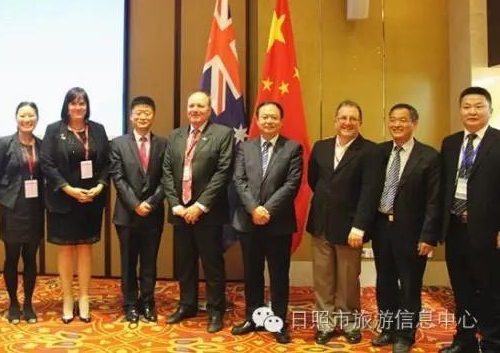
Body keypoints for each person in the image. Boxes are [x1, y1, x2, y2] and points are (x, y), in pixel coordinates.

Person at [306, 100, 380, 345]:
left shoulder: (370, 151)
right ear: (335, 120)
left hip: (351, 228)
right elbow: (314, 181)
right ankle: (325, 324)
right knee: (323, 279)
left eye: (353, 118)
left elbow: (370, 192)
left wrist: (359, 226)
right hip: (321, 224)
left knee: (348, 280)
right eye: (343, 118)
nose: (347, 123)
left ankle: (349, 323)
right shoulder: (321, 147)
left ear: (360, 122)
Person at [370, 104, 441, 353]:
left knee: (410, 284)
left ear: (414, 123)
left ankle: (405, 334)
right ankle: (388, 328)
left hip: (412, 231)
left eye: (402, 120)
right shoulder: (379, 152)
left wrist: (428, 236)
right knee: (385, 281)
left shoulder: (429, 156)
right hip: (381, 227)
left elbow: (434, 201)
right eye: (393, 119)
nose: (396, 124)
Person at [161, 91, 233, 333]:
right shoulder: (176, 135)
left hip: (208, 213)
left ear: (209, 110)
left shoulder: (222, 134)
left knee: (212, 264)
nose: (195, 110)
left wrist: (199, 206)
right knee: (185, 263)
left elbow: (223, 173)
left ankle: (215, 310)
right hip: (180, 212)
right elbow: (167, 172)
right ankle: (187, 305)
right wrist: (176, 205)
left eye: (200, 106)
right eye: (191, 105)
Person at [231, 101, 303, 344]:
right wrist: (254, 209)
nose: (269, 121)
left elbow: (292, 184)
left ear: (281, 121)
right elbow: (239, 180)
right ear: (257, 120)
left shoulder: (292, 148)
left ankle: (278, 320)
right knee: (252, 274)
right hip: (248, 221)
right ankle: (253, 317)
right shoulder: (245, 147)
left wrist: (267, 210)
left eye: (273, 117)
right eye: (264, 117)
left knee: (279, 275)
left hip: (278, 223)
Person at [40, 87, 109, 323]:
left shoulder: (98, 129)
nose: (78, 107)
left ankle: (84, 296)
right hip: (63, 199)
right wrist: (68, 189)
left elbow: (107, 163)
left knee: (86, 248)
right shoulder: (54, 130)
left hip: (90, 199)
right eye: (73, 103)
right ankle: (68, 297)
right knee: (67, 249)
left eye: (82, 103)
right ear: (66, 106)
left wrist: (100, 186)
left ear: (87, 106)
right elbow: (47, 164)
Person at [439, 87, 500, 353]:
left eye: (478, 106)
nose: (472, 111)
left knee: (490, 289)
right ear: (460, 111)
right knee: (461, 289)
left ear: (490, 110)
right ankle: (464, 340)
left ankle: (492, 342)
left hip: (489, 231)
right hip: (455, 227)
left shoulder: (498, 141)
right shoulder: (451, 143)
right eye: (466, 106)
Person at [110, 96, 167, 325]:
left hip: (153, 213)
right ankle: (130, 304)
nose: (143, 116)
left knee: (150, 262)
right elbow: (118, 178)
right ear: (131, 116)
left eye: (147, 112)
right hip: (127, 214)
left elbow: (166, 179)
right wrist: (135, 204)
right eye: (138, 113)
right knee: (128, 262)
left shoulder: (163, 144)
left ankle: (148, 301)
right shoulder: (118, 144)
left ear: (153, 116)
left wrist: (151, 203)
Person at [0, 102, 44, 324]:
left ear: (36, 119)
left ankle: (28, 303)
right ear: (16, 118)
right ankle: (13, 303)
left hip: (34, 209)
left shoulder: (41, 145)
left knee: (30, 258)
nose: (26, 119)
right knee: (11, 258)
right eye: (22, 115)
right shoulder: (4, 144)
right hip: (12, 208)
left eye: (31, 115)